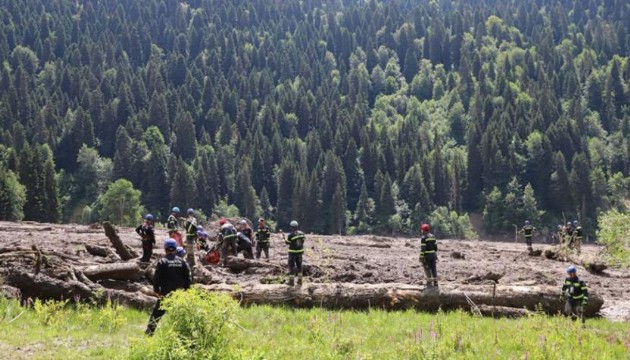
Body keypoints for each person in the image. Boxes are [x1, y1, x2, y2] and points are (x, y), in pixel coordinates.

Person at [145, 238, 191, 336]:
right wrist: (187, 291)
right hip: (179, 294)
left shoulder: (162, 262)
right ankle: (182, 336)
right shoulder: (182, 262)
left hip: (165, 294)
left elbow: (156, 278)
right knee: (180, 316)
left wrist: (156, 291)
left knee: (156, 316)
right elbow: (188, 279)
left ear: (165, 248)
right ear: (175, 248)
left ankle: (149, 334)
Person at [285, 220, 305, 286]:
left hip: (292, 253)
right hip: (300, 253)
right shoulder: (302, 234)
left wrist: (284, 239)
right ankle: (300, 281)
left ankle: (291, 282)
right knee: (299, 266)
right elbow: (303, 241)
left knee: (292, 267)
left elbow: (288, 243)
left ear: (291, 227)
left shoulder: (290, 235)